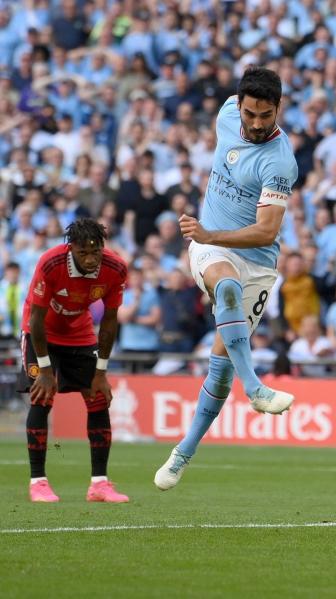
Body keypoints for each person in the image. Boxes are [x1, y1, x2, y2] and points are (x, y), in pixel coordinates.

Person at [154, 66, 299, 491]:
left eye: (265, 115)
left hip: (256, 262)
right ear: (238, 105)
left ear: (279, 109)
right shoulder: (224, 115)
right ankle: (256, 388)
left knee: (220, 371)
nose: (256, 124)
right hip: (211, 250)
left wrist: (209, 231)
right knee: (227, 287)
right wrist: (207, 238)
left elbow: (268, 231)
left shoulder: (279, 162)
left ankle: (182, 453)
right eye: (250, 114)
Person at [19, 218, 128, 503]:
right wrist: (45, 369)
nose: (91, 259)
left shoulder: (115, 267)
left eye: (96, 252)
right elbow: (36, 319)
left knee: (98, 398)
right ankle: (38, 482)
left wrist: (101, 372)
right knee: (42, 397)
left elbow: (110, 320)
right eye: (83, 253)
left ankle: (100, 485)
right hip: (41, 332)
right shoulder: (51, 263)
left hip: (78, 330)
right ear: (71, 249)